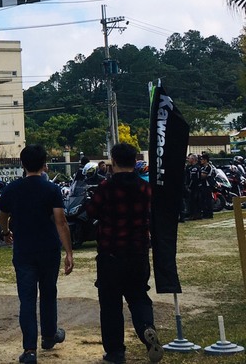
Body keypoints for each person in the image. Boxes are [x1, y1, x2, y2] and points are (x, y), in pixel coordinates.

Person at [85, 143, 164, 364]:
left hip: (110, 254)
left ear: (114, 161)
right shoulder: (145, 188)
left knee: (110, 304)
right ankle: (146, 328)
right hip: (138, 252)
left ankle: (115, 352)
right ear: (133, 160)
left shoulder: (105, 187)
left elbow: (90, 212)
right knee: (139, 295)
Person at [0, 144, 73, 364]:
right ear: (44, 164)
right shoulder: (51, 189)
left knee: (27, 300)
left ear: (22, 164)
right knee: (49, 293)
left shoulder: (12, 189)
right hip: (49, 250)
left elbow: (3, 215)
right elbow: (61, 222)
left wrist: (5, 232)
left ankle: (29, 350)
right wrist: (69, 252)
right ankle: (49, 336)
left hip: (24, 251)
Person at [196, 152, 215, 219]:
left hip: (207, 186)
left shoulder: (208, 167)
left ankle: (209, 214)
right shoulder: (202, 168)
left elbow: (203, 176)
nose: (201, 161)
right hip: (202, 185)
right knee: (202, 200)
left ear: (205, 160)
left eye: (202, 159)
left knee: (207, 200)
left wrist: (198, 174)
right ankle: (205, 213)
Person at [183, 154, 199, 221]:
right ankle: (191, 214)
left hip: (194, 187)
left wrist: (189, 186)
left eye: (189, 158)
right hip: (190, 187)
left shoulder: (195, 168)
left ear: (193, 159)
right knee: (190, 201)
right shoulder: (189, 167)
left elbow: (193, 179)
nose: (188, 160)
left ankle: (194, 215)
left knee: (193, 201)